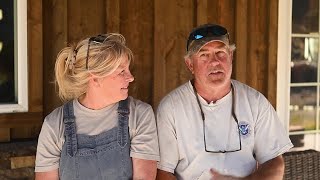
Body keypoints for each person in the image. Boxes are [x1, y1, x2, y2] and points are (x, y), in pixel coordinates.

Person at [156, 24, 293, 180]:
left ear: (231, 56)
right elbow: (163, 173)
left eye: (220, 53)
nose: (214, 62)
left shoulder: (255, 102)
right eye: (204, 55)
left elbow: (274, 162)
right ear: (190, 64)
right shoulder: (171, 108)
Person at [35, 33, 159, 180]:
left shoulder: (139, 115)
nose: (131, 77)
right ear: (95, 78)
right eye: (121, 71)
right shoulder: (54, 125)